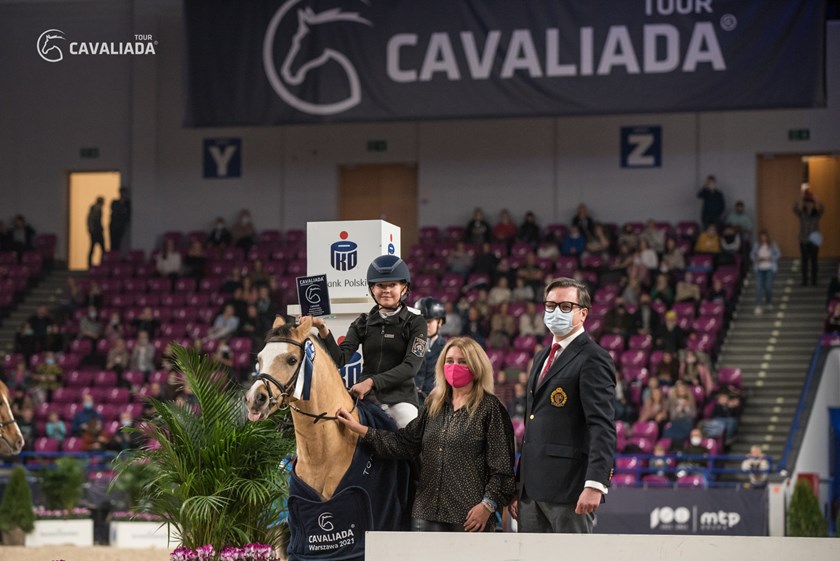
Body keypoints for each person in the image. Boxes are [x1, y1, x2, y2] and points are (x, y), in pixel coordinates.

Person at [336, 337, 516, 532]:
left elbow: (502, 468)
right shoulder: (433, 405)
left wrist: (488, 505)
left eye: (463, 362)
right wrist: (359, 428)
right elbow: (405, 443)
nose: (454, 366)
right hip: (426, 512)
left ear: (476, 366)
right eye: (449, 361)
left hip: (469, 514)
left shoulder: (490, 408)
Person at [511, 277, 615, 533]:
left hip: (569, 489)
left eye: (565, 306)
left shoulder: (594, 358)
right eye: (550, 305)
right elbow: (532, 425)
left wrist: (595, 483)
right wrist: (519, 485)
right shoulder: (541, 357)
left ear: (583, 313)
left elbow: (601, 425)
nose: (556, 312)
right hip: (530, 491)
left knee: (570, 554)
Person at [312, 255, 427, 429]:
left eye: (392, 285)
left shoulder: (416, 323)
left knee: (409, 427)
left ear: (404, 288)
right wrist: (322, 328)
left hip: (400, 399)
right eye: (380, 285)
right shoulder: (362, 323)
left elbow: (410, 367)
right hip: (366, 398)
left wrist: (371, 382)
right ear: (372, 288)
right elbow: (339, 359)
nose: (386, 290)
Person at [414, 298, 447, 401]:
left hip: (437, 399)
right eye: (422, 321)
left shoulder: (447, 348)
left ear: (439, 322)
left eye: (429, 321)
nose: (425, 325)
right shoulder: (408, 345)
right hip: (412, 398)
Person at [793, 189, 825, 286]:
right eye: (807, 203)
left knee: (814, 261)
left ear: (813, 204)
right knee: (804, 261)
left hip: (814, 241)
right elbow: (794, 208)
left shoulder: (817, 214)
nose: (809, 205)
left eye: (810, 203)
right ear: (805, 204)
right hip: (804, 240)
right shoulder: (802, 214)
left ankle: (814, 281)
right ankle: (805, 281)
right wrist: (801, 198)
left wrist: (816, 199)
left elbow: (822, 208)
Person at [751, 230, 781, 315]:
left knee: (768, 287)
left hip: (769, 269)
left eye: (765, 236)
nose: (763, 238)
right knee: (758, 287)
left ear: (767, 237)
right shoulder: (757, 245)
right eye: (762, 237)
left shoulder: (772, 245)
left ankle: (768, 302)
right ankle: (758, 305)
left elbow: (778, 254)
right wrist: (756, 259)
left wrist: (771, 258)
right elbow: (752, 255)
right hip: (759, 269)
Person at [109, 186, 131, 252]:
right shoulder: (115, 202)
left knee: (118, 242)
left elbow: (127, 214)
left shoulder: (127, 203)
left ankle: (116, 254)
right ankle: (113, 255)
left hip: (121, 225)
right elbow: (114, 210)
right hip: (114, 225)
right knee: (113, 242)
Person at [87, 196, 106, 267]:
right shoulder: (96, 209)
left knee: (93, 248)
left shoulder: (94, 209)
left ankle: (91, 264)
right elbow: (95, 221)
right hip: (96, 231)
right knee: (100, 248)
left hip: (95, 231)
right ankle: (102, 263)